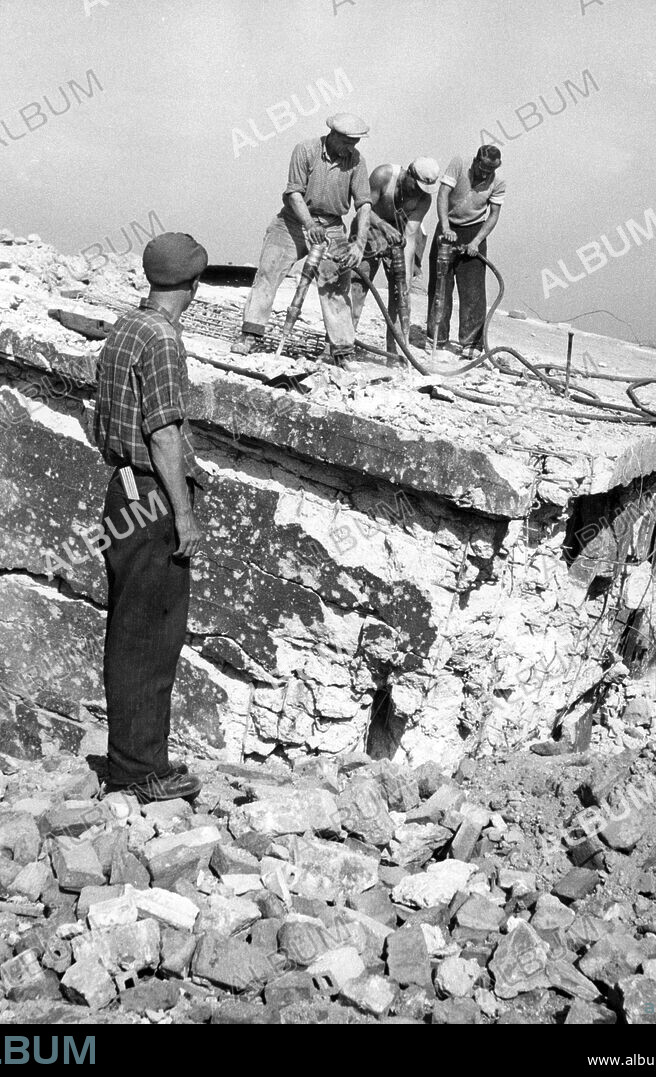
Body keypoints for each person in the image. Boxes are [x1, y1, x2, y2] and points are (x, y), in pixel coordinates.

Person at [93, 232, 207, 803]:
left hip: (123, 490)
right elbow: (163, 431)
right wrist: (183, 517)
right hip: (154, 501)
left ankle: (132, 758)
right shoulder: (163, 340)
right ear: (192, 284)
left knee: (128, 627)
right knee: (152, 636)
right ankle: (140, 771)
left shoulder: (126, 326)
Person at [231, 113, 372, 363]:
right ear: (334, 136)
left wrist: (359, 244)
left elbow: (364, 205)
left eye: (356, 142)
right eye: (348, 142)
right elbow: (294, 193)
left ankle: (341, 350)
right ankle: (250, 334)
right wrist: (308, 223)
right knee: (268, 272)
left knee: (336, 286)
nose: (352, 147)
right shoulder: (306, 150)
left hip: (331, 227)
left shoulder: (357, 162)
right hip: (293, 222)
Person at [350, 156, 439, 354]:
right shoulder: (383, 175)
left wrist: (406, 276)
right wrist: (382, 226)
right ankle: (342, 344)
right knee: (357, 286)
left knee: (400, 293)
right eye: (416, 186)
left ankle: (395, 352)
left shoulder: (424, 199)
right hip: (369, 229)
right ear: (408, 173)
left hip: (398, 237)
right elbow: (363, 210)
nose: (417, 192)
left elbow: (410, 234)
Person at [427, 144, 505, 352]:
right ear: (476, 162)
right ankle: (436, 339)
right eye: (482, 170)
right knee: (440, 286)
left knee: (473, 292)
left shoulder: (498, 182)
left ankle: (471, 343)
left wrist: (476, 242)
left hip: (474, 231)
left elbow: (494, 215)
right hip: (449, 226)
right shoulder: (459, 164)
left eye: (490, 172)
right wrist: (445, 227)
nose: (484, 175)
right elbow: (443, 194)